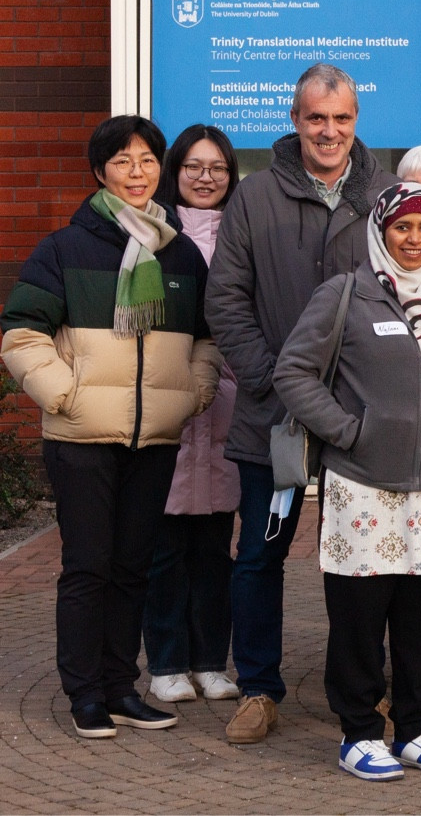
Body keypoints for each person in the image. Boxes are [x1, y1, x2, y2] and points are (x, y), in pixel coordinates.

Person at [1, 114, 222, 740]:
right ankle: (85, 693)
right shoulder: (65, 250)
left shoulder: (179, 252)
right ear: (101, 171)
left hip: (154, 436)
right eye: (122, 160)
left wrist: (194, 394)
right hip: (80, 438)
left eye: (147, 160)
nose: (136, 171)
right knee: (89, 567)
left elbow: (206, 338)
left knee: (133, 566)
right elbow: (20, 334)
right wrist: (62, 394)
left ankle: (122, 686)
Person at [273, 183, 421, 781]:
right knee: (360, 616)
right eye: (403, 228)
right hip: (363, 484)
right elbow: (293, 371)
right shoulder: (345, 294)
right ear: (381, 231)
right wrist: (348, 432)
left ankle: (418, 727)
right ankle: (359, 733)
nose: (415, 240)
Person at [205, 62, 398, 743]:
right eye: (316, 118)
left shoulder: (385, 193)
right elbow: (225, 301)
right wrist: (275, 378)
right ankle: (259, 688)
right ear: (295, 120)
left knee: (363, 561)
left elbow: (411, 291)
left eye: (340, 118)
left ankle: (364, 693)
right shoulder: (255, 197)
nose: (328, 131)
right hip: (276, 422)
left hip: (358, 423)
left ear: (355, 122)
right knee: (259, 555)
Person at [141, 125, 242, 707]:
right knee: (164, 551)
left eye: (219, 168)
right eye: (195, 167)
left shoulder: (243, 235)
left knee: (215, 551)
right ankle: (166, 661)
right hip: (167, 410)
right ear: (175, 170)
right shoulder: (150, 237)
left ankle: (210, 661)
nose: (207, 178)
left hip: (228, 411)